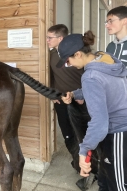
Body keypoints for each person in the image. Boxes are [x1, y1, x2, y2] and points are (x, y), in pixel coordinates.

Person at [58, 31, 127, 191]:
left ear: (78, 54)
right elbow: (106, 87)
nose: (69, 65)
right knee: (104, 180)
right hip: (120, 130)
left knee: (118, 185)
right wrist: (76, 94)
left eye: (68, 61)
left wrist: (84, 150)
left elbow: (99, 123)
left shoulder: (90, 76)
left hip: (118, 133)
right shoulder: (106, 60)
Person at [47, 24, 84, 164]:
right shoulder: (50, 55)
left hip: (81, 101)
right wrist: (52, 94)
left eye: (50, 37)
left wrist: (83, 97)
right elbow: (49, 77)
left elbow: (89, 76)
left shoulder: (78, 54)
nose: (47, 40)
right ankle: (77, 162)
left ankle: (90, 163)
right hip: (61, 100)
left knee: (82, 133)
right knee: (67, 133)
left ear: (60, 38)